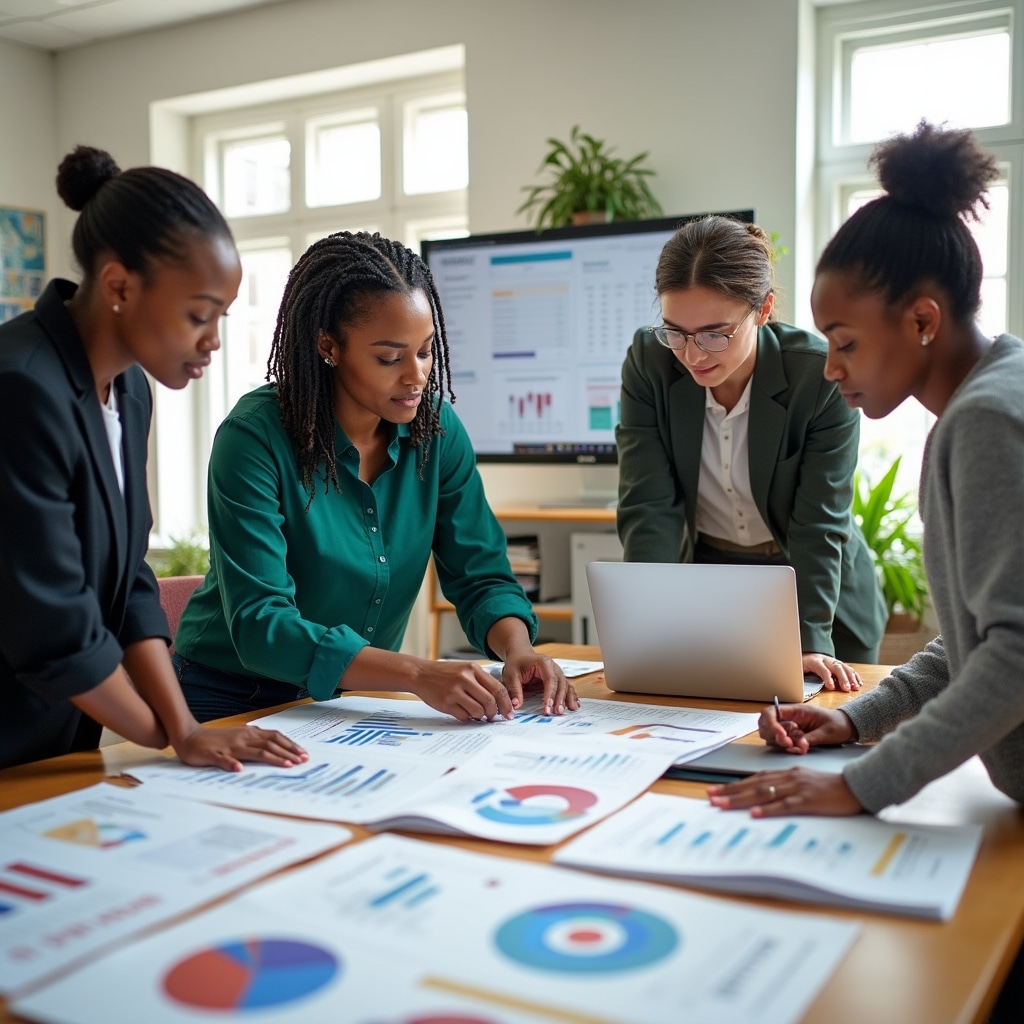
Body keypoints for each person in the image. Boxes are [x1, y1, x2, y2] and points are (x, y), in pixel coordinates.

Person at [707, 121, 1024, 820]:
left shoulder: (986, 420)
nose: (831, 368)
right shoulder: (993, 394)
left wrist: (860, 783)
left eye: (845, 342)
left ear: (921, 320)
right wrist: (859, 720)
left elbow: (1014, 655)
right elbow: (980, 641)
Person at [173, 231, 578, 724]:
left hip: (349, 701)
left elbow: (481, 572)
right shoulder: (253, 439)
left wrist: (518, 649)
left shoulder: (435, 429)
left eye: (427, 351)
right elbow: (262, 625)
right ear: (329, 346)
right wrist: (415, 673)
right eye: (390, 358)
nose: (416, 376)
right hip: (230, 693)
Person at [0, 145, 307, 772]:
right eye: (199, 314)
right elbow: (51, 626)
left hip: (60, 737)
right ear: (119, 285)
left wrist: (184, 727)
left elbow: (128, 581)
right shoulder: (21, 386)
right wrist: (175, 735)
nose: (213, 341)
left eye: (220, 316)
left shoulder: (130, 388)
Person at [616, 215, 886, 691]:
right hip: (716, 588)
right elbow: (648, 505)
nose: (694, 354)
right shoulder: (650, 362)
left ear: (763, 310)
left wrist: (810, 641)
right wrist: (647, 623)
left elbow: (818, 522)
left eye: (715, 333)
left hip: (818, 597)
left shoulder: (818, 376)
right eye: (676, 331)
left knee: (826, 739)